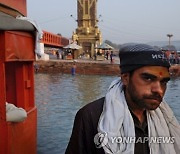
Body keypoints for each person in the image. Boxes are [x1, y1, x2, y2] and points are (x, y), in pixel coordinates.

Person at [65, 43, 180, 154]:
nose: (159, 90)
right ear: (125, 78)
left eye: (163, 82)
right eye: (148, 79)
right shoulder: (92, 116)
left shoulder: (166, 118)